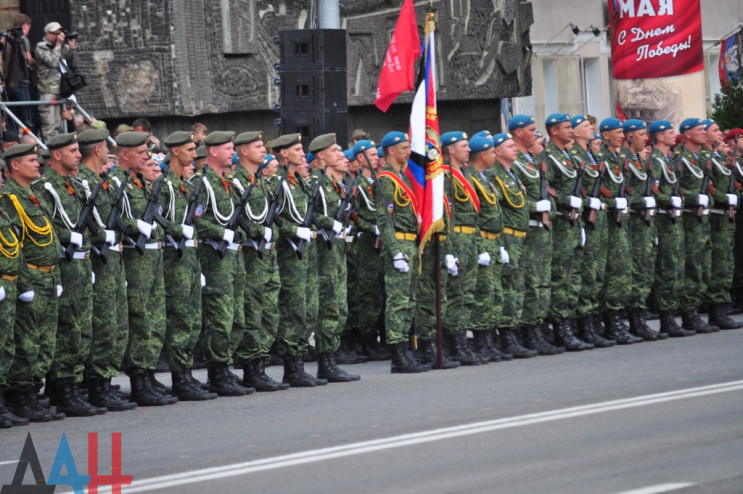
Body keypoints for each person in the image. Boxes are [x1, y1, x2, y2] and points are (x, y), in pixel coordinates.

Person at [33, 132, 104, 417]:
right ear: (57, 156)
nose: (79, 154)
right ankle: (63, 390)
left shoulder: (74, 185)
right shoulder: (44, 187)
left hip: (82, 265)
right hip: (63, 265)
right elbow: (45, 226)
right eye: (73, 150)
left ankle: (73, 387)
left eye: (78, 149)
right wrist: (67, 236)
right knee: (67, 330)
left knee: (82, 329)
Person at [75, 128, 138, 411]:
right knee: (102, 325)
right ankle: (96, 386)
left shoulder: (103, 181)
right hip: (99, 265)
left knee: (115, 326)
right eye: (106, 147)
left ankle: (104, 383)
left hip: (113, 263)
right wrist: (103, 236)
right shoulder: (83, 183)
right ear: (99, 149)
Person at [113, 132, 177, 406]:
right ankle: (139, 381)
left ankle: (148, 375)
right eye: (141, 153)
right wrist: (131, 226)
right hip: (135, 260)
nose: (146, 157)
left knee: (153, 319)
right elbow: (111, 219)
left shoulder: (137, 182)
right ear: (124, 154)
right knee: (140, 320)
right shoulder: (116, 183)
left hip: (153, 260)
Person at [0, 143, 63, 422]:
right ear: (14, 165)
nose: (37, 164)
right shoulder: (9, 198)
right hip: (30, 277)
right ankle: (20, 396)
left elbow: (49, 240)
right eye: (31, 160)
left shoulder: (33, 195)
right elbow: (15, 245)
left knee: (43, 342)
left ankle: (32, 394)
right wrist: (24, 283)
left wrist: (56, 276)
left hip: (47, 275)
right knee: (25, 342)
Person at [192, 131, 254, 396]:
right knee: (219, 317)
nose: (233, 153)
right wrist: (221, 233)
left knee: (236, 316)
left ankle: (226, 367)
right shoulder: (202, 183)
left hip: (233, 258)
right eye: (228, 149)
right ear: (213, 152)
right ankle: (217, 372)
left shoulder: (228, 182)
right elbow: (195, 220)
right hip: (214, 260)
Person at [160, 131, 217, 401]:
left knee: (193, 320)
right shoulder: (165, 186)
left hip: (191, 260)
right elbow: (158, 221)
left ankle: (187, 374)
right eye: (190, 150)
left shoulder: (185, 185)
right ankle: (179, 378)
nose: (195, 155)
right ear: (175, 152)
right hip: (175, 261)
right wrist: (176, 229)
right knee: (181, 319)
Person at [231, 131, 288, 392]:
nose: (263, 150)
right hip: (251, 258)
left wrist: (269, 234)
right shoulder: (235, 182)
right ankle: (251, 368)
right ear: (243, 151)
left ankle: (261, 365)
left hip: (268, 256)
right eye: (257, 146)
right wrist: (255, 233)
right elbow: (232, 222)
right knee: (252, 314)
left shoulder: (261, 181)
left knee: (269, 314)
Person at [272, 133, 327, 386]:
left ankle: (300, 363)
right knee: (293, 311)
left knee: (308, 311)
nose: (303, 153)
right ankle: (291, 367)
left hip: (307, 256)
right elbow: (273, 218)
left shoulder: (300, 183)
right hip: (290, 256)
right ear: (284, 154)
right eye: (297, 149)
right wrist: (295, 231)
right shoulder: (278, 183)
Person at [510, 115, 565, 354]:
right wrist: (535, 207)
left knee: (543, 281)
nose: (536, 133)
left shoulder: (531, 160)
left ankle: (539, 327)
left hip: (543, 230)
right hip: (529, 230)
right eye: (532, 129)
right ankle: (529, 330)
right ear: (519, 132)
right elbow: (515, 198)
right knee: (532, 282)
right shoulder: (515, 162)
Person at [309, 133, 360, 382]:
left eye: (341, 151)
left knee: (340, 306)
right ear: (321, 156)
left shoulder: (339, 186)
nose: (341, 155)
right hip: (324, 254)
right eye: (335, 151)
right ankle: (325, 362)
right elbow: (311, 215)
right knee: (329, 306)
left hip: (339, 252)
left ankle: (331, 358)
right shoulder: (315, 185)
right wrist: (331, 224)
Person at [375, 131, 427, 373]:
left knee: (410, 301)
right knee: (397, 302)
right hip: (399, 244)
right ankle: (397, 355)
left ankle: (406, 351)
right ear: (391, 151)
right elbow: (385, 219)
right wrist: (394, 251)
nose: (409, 151)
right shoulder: (386, 180)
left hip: (411, 244)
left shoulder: (403, 178)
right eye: (404, 148)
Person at [545, 114, 593, 350]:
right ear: (554, 131)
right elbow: (547, 188)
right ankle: (561, 328)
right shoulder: (549, 156)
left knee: (573, 277)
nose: (571, 131)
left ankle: (572, 325)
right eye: (566, 127)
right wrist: (567, 200)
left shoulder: (566, 156)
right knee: (561, 278)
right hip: (562, 225)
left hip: (574, 225)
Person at [568, 115, 615, 348]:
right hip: (584, 222)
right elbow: (574, 191)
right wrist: (588, 206)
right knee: (586, 274)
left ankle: (593, 322)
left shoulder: (589, 155)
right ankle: (584, 324)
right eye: (586, 126)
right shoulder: (574, 156)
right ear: (576, 133)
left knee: (596, 273)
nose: (592, 129)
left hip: (599, 221)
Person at [465, 134, 511, 362]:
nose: (495, 155)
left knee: (495, 294)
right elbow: (472, 218)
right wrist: (481, 246)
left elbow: (495, 215)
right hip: (482, 241)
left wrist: (500, 244)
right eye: (492, 152)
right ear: (483, 155)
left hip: (494, 241)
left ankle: (490, 340)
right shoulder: (470, 179)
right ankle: (481, 342)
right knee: (483, 295)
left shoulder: (485, 179)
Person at [648, 121, 694, 337]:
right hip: (664, 221)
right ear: (659, 137)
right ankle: (667, 319)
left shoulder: (668, 159)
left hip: (674, 221)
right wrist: (670, 200)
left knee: (677, 268)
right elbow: (654, 190)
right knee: (667, 269)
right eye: (669, 133)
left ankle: (675, 316)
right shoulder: (656, 159)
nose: (673, 135)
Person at [673, 119, 720, 334]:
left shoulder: (700, 159)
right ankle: (689, 315)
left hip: (704, 222)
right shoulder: (680, 159)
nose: (704, 133)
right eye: (699, 130)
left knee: (704, 267)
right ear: (687, 135)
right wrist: (693, 199)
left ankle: (705, 311)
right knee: (692, 267)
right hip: (690, 221)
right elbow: (676, 190)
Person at [622, 119, 664, 341]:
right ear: (630, 137)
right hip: (633, 225)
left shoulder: (639, 161)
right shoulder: (624, 161)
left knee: (645, 272)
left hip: (646, 225)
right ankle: (635, 321)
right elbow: (623, 194)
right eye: (640, 134)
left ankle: (641, 319)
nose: (645, 139)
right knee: (635, 272)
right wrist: (640, 202)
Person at [699, 119, 742, 329]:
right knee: (717, 264)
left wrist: (736, 198)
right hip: (715, 216)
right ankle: (716, 309)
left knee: (726, 263)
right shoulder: (703, 158)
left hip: (727, 217)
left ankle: (721, 308)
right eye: (715, 131)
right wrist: (725, 199)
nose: (720, 134)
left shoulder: (721, 158)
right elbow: (708, 186)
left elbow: (733, 184)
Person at [350, 140, 390, 361]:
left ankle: (384, 338)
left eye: (377, 154)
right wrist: (371, 227)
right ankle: (368, 341)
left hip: (383, 243)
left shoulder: (381, 182)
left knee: (384, 291)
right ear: (360, 159)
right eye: (371, 155)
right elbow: (354, 215)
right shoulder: (357, 186)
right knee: (370, 294)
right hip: (367, 244)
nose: (376, 158)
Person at [35, 22, 76, 140]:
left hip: (61, 90)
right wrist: (58, 44)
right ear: (48, 34)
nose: (58, 36)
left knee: (58, 125)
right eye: (55, 34)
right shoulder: (41, 46)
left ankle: (56, 150)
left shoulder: (61, 46)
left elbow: (73, 62)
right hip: (47, 90)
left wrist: (71, 48)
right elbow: (52, 62)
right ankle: (46, 153)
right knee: (48, 125)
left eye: (60, 34)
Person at [2, 13, 37, 133]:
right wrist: (37, 65)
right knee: (28, 121)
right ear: (25, 26)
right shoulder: (23, 39)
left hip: (8, 87)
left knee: (12, 122)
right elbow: (28, 59)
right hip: (21, 86)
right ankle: (30, 147)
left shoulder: (6, 40)